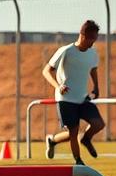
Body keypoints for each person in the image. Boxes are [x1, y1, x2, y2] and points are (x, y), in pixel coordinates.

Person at [43, 20, 105, 165]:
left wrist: (96, 87)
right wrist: (58, 86)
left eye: (95, 39)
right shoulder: (66, 51)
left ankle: (84, 139)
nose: (92, 43)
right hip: (65, 99)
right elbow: (46, 70)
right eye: (90, 39)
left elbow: (93, 69)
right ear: (82, 35)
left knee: (98, 124)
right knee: (73, 132)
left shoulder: (93, 52)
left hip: (82, 97)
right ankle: (78, 161)